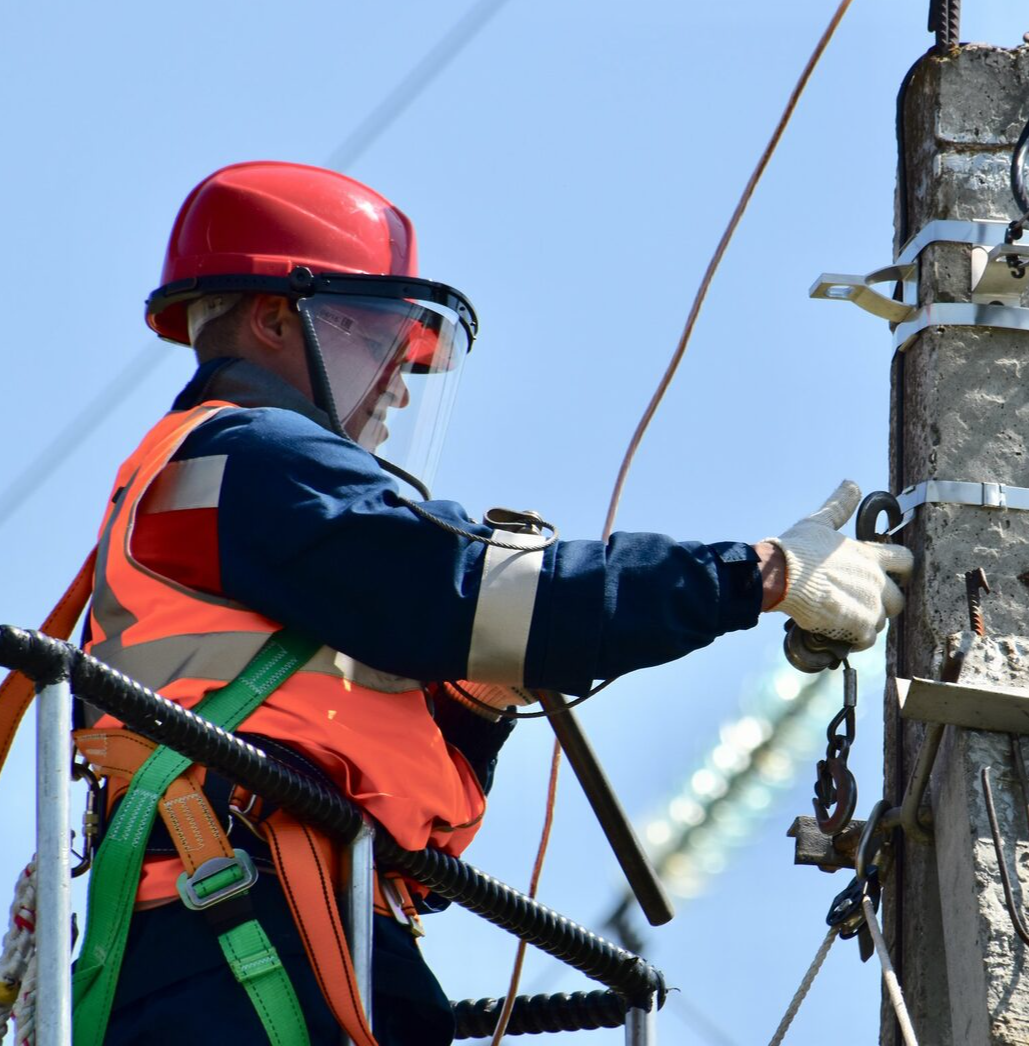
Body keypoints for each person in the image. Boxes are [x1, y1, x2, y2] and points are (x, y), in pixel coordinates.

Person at [77, 160, 912, 1046]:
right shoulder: (250, 452)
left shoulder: (254, 513)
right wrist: (757, 574)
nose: (400, 380)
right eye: (375, 334)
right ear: (275, 317)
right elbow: (470, 594)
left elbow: (415, 817)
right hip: (239, 935)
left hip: (294, 913)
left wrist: (476, 705)